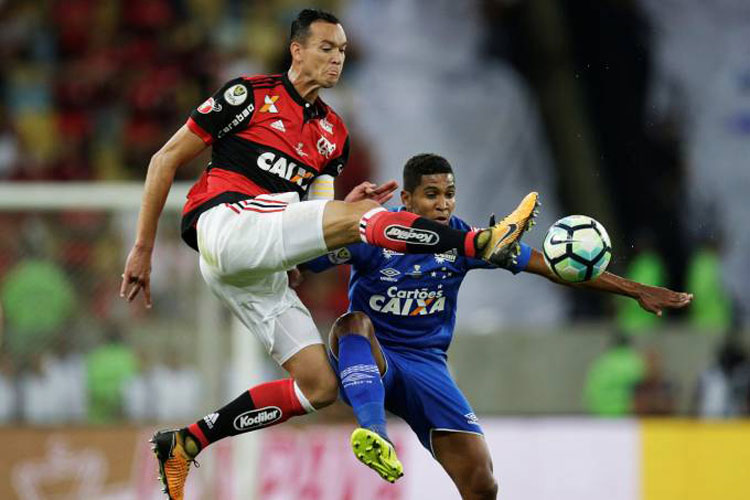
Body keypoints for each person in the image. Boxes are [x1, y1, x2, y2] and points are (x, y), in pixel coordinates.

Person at [118, 10, 539, 500]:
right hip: (226, 224)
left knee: (319, 387)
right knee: (354, 218)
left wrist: (346, 209)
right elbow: (164, 158)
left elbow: (322, 218)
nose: (337, 59)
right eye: (326, 48)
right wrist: (143, 248)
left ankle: (187, 442)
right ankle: (481, 242)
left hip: (254, 266)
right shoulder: (248, 96)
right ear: (296, 50)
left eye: (341, 51)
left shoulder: (334, 135)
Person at [300, 153, 694, 499]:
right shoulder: (376, 233)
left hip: (427, 365)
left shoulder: (465, 239)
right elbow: (311, 262)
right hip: (372, 361)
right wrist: (336, 216)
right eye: (431, 194)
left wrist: (637, 290)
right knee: (353, 322)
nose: (443, 204)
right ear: (407, 199)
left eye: (449, 194)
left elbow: (551, 267)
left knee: (482, 484)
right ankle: (374, 433)